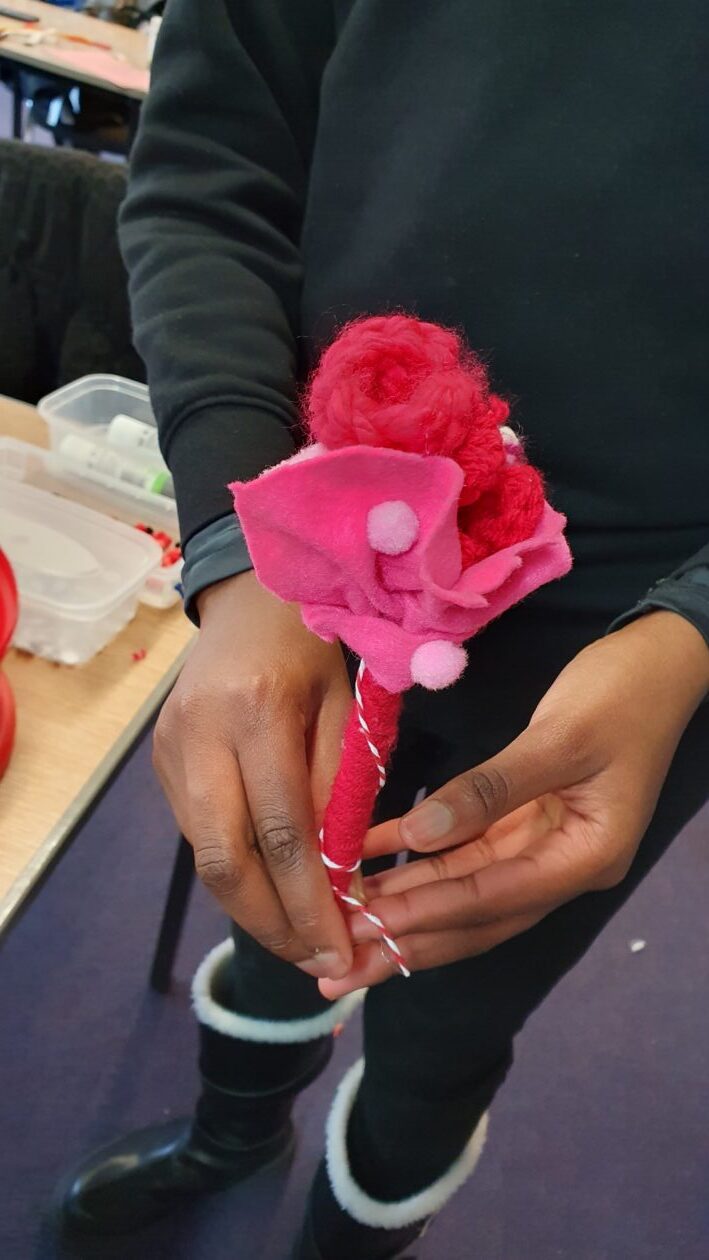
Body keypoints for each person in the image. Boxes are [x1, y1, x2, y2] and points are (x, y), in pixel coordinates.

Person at [58, 2, 709, 1257]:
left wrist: (693, 628)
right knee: (276, 890)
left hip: (636, 653)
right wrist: (241, 543)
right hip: (314, 546)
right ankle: (234, 1133)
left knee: (452, 1004)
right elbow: (214, 159)